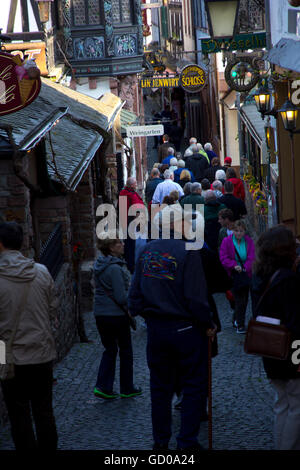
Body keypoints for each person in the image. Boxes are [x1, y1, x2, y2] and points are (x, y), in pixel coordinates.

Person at [128, 208, 216, 450]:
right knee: (194, 385)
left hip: (157, 331)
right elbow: (196, 299)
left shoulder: (146, 251)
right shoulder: (188, 251)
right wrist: (208, 323)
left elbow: (134, 298)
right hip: (186, 330)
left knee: (160, 389)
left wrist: (146, 311)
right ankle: (187, 441)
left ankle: (160, 442)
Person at [0, 222, 58, 451]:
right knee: (44, 411)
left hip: (8, 353)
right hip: (41, 350)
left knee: (18, 414)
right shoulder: (41, 272)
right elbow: (52, 310)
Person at [251, 225, 300, 450]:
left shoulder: (261, 275)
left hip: (270, 349)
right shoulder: (289, 279)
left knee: (282, 403)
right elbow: (295, 322)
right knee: (296, 406)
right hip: (290, 351)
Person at [93, 233, 142, 400]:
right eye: (119, 242)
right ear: (111, 248)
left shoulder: (100, 264)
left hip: (101, 314)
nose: (123, 244)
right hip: (115, 315)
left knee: (110, 349)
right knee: (125, 350)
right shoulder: (114, 268)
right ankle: (126, 387)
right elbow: (121, 297)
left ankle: (103, 386)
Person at [219, 219, 255, 333]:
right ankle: (240, 324)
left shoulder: (248, 242)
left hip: (245, 274)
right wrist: (234, 265)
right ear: (233, 231)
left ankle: (236, 319)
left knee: (243, 300)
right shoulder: (227, 241)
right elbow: (223, 257)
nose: (238, 233)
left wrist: (245, 267)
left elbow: (251, 257)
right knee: (240, 300)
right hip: (233, 275)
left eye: (241, 231)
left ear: (245, 231)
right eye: (236, 231)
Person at [119, 177, 145, 273]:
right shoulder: (131, 194)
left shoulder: (122, 193)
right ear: (131, 185)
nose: (136, 185)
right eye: (134, 184)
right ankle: (131, 266)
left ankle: (127, 262)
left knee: (127, 243)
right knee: (131, 245)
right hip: (131, 222)